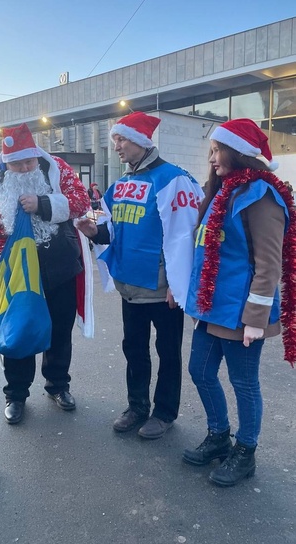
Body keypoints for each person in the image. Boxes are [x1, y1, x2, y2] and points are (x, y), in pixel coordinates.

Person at [183, 118, 296, 487]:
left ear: (238, 152)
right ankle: (219, 435)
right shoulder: (223, 190)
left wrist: (255, 319)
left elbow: (268, 264)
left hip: (241, 311)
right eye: (211, 151)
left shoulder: (261, 196)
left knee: (243, 382)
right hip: (212, 306)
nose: (212, 159)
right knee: (199, 371)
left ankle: (245, 451)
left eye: (217, 151)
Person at [77, 112, 203, 439]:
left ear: (142, 141)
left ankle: (164, 413)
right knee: (133, 349)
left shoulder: (174, 179)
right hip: (129, 287)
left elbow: (185, 236)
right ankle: (137, 406)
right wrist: (95, 232)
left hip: (163, 291)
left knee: (168, 353)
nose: (116, 146)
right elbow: (111, 230)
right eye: (114, 140)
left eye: (121, 139)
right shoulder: (120, 184)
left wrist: (180, 284)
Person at [0, 123, 90, 425]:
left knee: (59, 330)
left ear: (36, 156)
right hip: (19, 271)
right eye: (17, 163)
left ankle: (58, 385)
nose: (25, 167)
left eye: (28, 161)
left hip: (58, 265)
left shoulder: (58, 169)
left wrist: (43, 204)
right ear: (6, 162)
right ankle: (15, 394)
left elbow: (81, 202)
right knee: (20, 328)